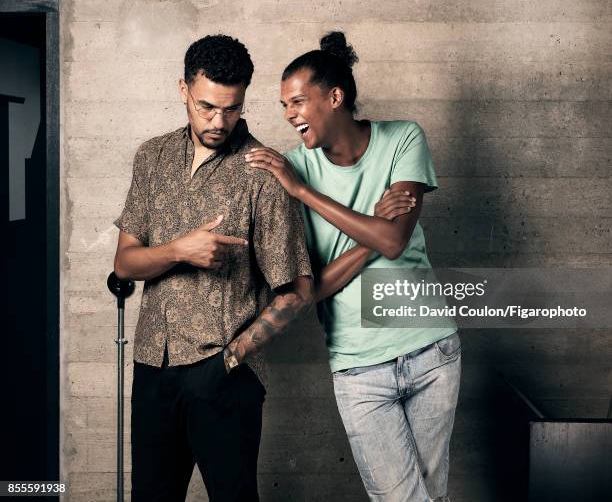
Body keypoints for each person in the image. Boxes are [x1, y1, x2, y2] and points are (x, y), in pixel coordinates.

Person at [245, 32, 461, 502]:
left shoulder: (404, 137)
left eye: (298, 101)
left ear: (335, 97)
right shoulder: (290, 171)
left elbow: (395, 237)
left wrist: (306, 194)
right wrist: (370, 235)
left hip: (430, 351)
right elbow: (311, 289)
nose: (288, 115)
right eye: (284, 105)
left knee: (432, 496)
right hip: (359, 368)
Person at [113, 34, 313, 502]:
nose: (219, 121)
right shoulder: (152, 157)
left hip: (222, 375)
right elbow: (125, 264)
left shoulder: (263, 173)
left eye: (232, 109)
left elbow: (297, 291)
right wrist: (181, 250)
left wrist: (228, 360)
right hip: (152, 365)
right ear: (183, 89)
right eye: (206, 107)